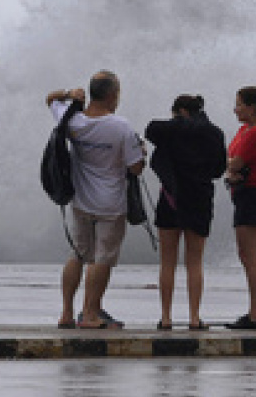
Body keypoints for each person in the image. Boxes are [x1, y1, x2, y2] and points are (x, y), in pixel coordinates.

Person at [47, 71, 145, 330]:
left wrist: (68, 94)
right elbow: (135, 168)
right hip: (110, 203)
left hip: (80, 201)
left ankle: (67, 313)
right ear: (113, 95)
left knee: (78, 254)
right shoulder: (121, 126)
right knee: (102, 258)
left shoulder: (73, 121)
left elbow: (50, 99)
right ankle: (90, 313)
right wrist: (141, 152)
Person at [145, 94, 227, 331]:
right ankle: (193, 317)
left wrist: (179, 123)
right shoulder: (214, 133)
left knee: (167, 262)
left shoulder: (171, 131)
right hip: (200, 199)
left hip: (170, 199)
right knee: (195, 262)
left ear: (180, 111)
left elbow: (150, 130)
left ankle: (166, 317)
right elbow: (219, 169)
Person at [223, 86, 256, 330]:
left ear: (252, 107)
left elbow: (235, 162)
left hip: (255, 194)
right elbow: (231, 161)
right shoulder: (245, 130)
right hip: (245, 193)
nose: (236, 109)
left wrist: (230, 168)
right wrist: (230, 169)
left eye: (239, 104)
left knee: (250, 256)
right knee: (246, 255)